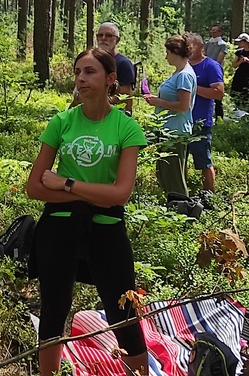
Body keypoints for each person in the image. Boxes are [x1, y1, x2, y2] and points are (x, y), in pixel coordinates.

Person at [26, 47, 149, 376]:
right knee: (54, 309)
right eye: (78, 71)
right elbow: (35, 187)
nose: (81, 78)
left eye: (90, 71)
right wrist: (93, 195)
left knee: (123, 311)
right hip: (58, 228)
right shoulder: (61, 122)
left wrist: (66, 184)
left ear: (111, 79)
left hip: (107, 229)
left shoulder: (126, 128)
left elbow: (120, 195)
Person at [143, 35, 197, 197]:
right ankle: (172, 209)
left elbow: (183, 105)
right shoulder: (178, 73)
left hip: (176, 133)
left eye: (167, 52)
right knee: (165, 175)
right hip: (167, 131)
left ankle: (183, 209)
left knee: (174, 178)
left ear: (175, 52)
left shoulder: (184, 76)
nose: (166, 56)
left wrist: (158, 102)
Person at [71, 22, 135, 114]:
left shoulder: (123, 64)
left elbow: (126, 98)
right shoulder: (89, 60)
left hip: (111, 117)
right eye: (100, 35)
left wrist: (94, 100)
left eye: (109, 35)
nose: (103, 38)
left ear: (117, 40)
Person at [187, 33, 223, 193]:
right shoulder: (184, 65)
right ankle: (182, 194)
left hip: (200, 123)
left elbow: (218, 93)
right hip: (182, 122)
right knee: (179, 160)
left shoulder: (210, 66)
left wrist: (192, 87)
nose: (187, 48)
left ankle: (208, 196)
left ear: (201, 47)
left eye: (190, 45)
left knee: (204, 162)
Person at [204, 24, 227, 120]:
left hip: (216, 71)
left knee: (217, 96)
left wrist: (211, 67)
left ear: (220, 32)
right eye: (212, 30)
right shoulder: (208, 43)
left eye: (215, 31)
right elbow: (204, 55)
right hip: (206, 70)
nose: (213, 32)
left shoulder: (223, 45)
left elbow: (219, 60)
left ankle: (219, 118)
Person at [230, 32, 249, 112]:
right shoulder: (239, 52)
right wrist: (241, 61)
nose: (239, 43)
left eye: (241, 41)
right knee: (236, 91)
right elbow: (234, 65)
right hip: (240, 75)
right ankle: (237, 109)